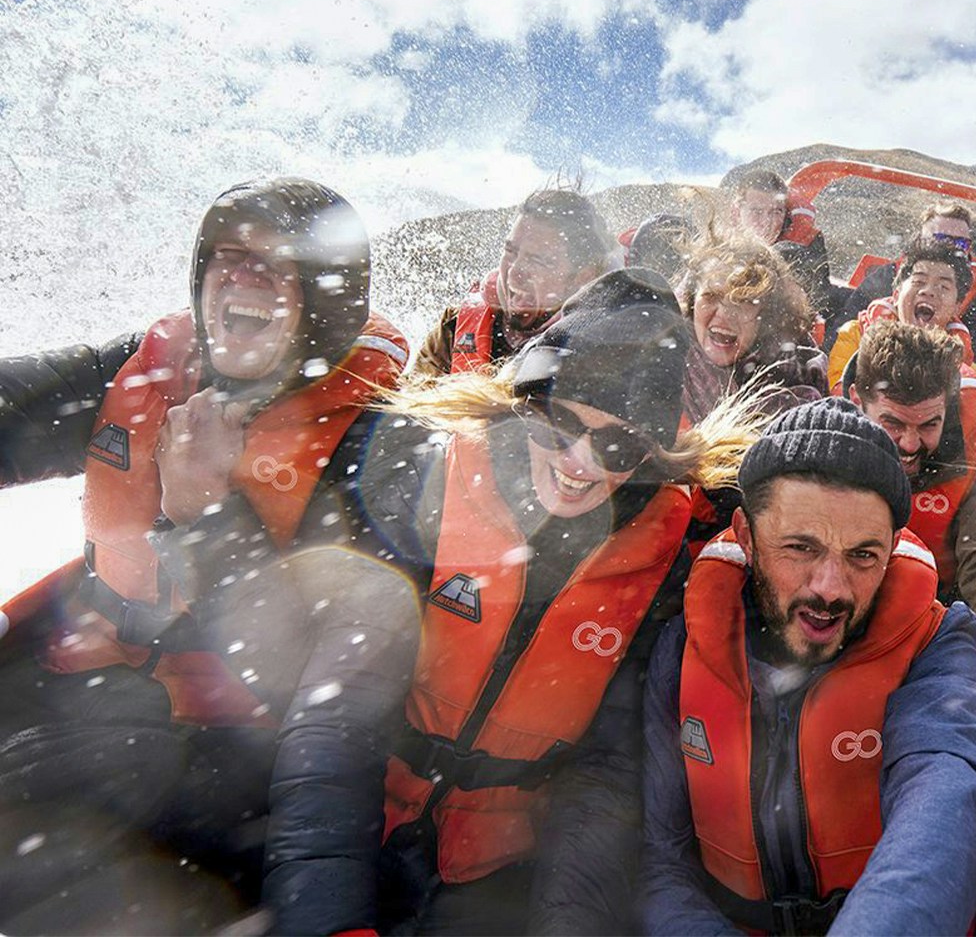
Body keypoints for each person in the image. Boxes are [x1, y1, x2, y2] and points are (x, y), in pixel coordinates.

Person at [258, 268, 756, 934]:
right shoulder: (425, 479)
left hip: (499, 867)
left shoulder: (666, 565)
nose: (581, 461)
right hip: (357, 809)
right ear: (528, 402)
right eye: (560, 423)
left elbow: (603, 779)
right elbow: (339, 717)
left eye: (616, 445)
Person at [0, 178, 408, 927]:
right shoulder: (145, 365)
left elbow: (314, 673)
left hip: (231, 748)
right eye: (225, 256)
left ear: (325, 307)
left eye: (276, 264)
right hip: (88, 671)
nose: (242, 274)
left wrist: (211, 514)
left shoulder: (379, 444)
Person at [639, 398, 976, 934]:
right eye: (799, 547)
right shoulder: (684, 645)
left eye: (863, 556)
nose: (830, 589)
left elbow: (952, 788)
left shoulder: (935, 644)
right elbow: (662, 859)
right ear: (745, 536)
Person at [846, 320, 976, 749]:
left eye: (928, 425)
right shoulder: (828, 436)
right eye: (893, 424)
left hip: (938, 620)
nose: (909, 444)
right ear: (856, 403)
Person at [409, 188, 611, 376]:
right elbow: (408, 403)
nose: (514, 273)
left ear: (582, 278)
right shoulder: (453, 327)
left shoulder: (599, 354)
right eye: (511, 252)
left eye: (537, 260)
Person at [841, 202, 976, 376]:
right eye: (940, 239)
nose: (949, 249)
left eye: (960, 244)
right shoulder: (884, 279)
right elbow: (842, 328)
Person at [675, 235, 826, 424]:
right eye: (711, 296)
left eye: (743, 301)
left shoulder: (801, 384)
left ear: (767, 316)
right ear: (692, 302)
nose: (724, 315)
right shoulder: (659, 368)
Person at [826, 239, 976, 389]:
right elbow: (838, 392)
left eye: (944, 287)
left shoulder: (965, 366)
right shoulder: (856, 334)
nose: (929, 291)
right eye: (919, 281)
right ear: (896, 295)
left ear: (957, 307)